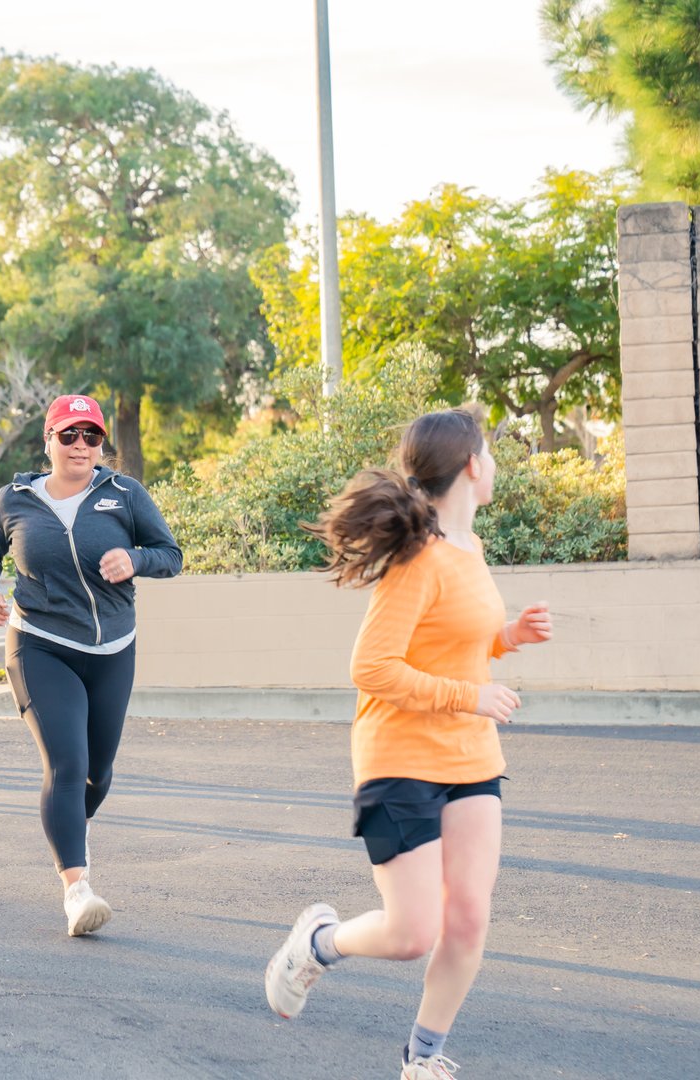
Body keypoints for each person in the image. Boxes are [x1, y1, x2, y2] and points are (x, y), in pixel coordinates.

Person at [262, 407, 554, 1080]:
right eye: (491, 452)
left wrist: (506, 638)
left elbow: (451, 643)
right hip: (399, 761)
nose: (496, 465)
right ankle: (317, 943)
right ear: (474, 466)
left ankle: (422, 1057)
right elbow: (372, 667)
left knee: (469, 921)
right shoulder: (417, 561)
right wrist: (467, 695)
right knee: (411, 933)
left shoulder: (469, 550)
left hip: (471, 757)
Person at [0, 394, 183, 936]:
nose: (81, 446)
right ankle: (77, 888)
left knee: (98, 772)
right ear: (49, 441)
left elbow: (170, 554)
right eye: (69, 435)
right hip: (39, 643)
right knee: (66, 764)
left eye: (92, 436)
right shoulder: (12, 499)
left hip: (113, 646)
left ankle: (70, 830)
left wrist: (135, 559)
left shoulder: (124, 494)